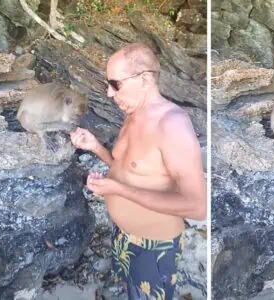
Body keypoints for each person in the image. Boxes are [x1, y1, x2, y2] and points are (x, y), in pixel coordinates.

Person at [70, 43, 207, 300]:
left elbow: (197, 207)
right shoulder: (133, 114)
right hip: (122, 235)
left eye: (115, 84)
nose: (109, 93)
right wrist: (96, 147)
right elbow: (126, 168)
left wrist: (117, 190)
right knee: (130, 289)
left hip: (153, 247)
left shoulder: (172, 124)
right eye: (107, 84)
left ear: (144, 79)